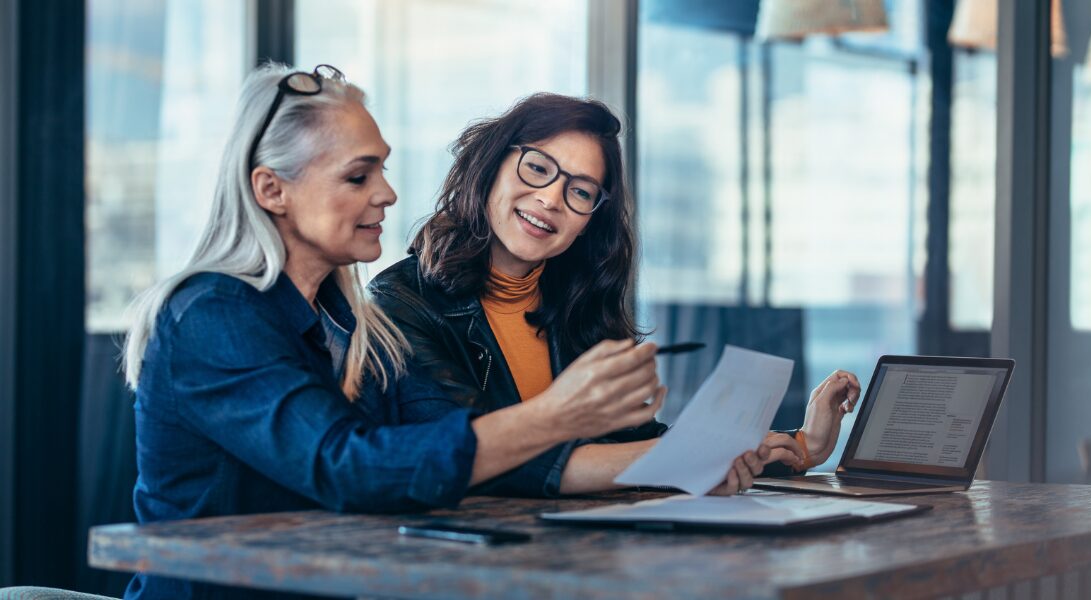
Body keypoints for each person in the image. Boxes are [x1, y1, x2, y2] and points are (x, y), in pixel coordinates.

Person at [122, 65, 750, 600]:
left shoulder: (345, 321)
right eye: (357, 176)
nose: (388, 194)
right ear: (272, 190)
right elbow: (349, 469)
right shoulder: (212, 314)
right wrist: (557, 416)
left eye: (383, 171)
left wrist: (694, 458)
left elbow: (436, 457)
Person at [369, 93, 862, 495]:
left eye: (580, 191)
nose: (551, 199)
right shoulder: (399, 305)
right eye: (537, 168)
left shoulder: (575, 306)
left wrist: (801, 445)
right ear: (490, 166)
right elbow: (479, 458)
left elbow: (631, 444)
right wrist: (691, 459)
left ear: (589, 222)